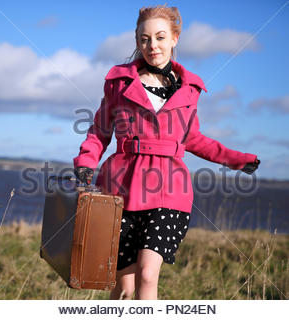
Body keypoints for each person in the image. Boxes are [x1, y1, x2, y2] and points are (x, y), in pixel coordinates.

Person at [73, 5, 260, 300]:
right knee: (124, 286)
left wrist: (238, 160)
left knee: (148, 275)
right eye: (145, 39)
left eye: (160, 37)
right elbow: (100, 131)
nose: (152, 45)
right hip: (120, 191)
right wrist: (86, 162)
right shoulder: (118, 85)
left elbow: (194, 139)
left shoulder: (189, 89)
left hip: (170, 192)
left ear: (174, 39)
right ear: (137, 42)